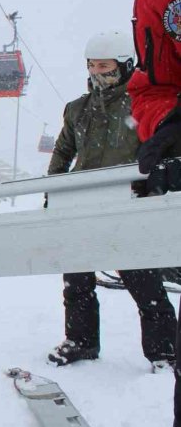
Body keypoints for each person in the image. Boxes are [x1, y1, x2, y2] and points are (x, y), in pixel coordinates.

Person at [46, 30, 177, 370]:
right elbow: (63, 151)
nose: (97, 73)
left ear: (125, 66)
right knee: (76, 281)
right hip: (83, 203)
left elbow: (162, 147)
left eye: (105, 66)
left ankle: (164, 352)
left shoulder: (142, 106)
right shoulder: (78, 109)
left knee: (144, 282)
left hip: (127, 203)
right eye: (92, 66)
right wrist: (54, 191)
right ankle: (81, 341)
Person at [128, 0, 181, 427]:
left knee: (145, 283)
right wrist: (170, 121)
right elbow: (155, 87)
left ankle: (155, 346)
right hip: (150, 186)